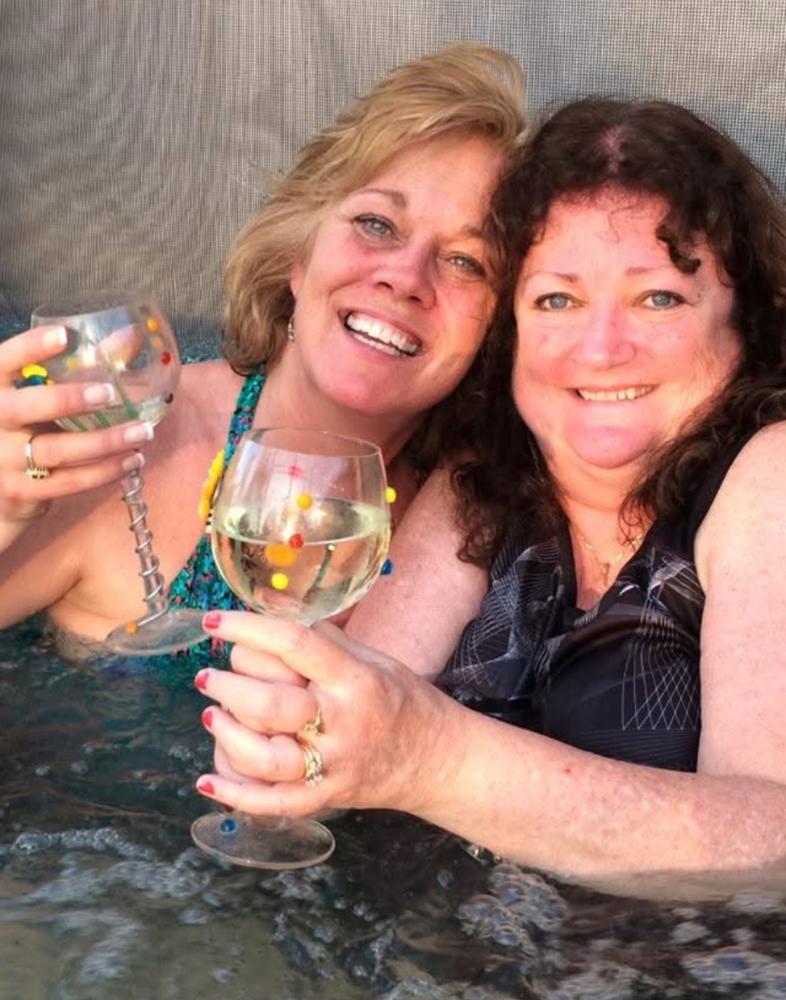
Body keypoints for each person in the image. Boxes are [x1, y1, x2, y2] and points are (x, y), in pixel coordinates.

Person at [192, 97, 786, 875]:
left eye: (659, 298)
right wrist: (285, 753)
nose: (601, 348)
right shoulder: (481, 481)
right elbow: (347, 723)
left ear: (745, 323)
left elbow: (773, 844)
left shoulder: (769, 474)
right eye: (557, 300)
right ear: (511, 333)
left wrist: (432, 759)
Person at [0, 45, 525, 653]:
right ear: (298, 255)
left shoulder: (483, 512)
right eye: (377, 225)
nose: (405, 277)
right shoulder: (123, 451)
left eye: (466, 262)